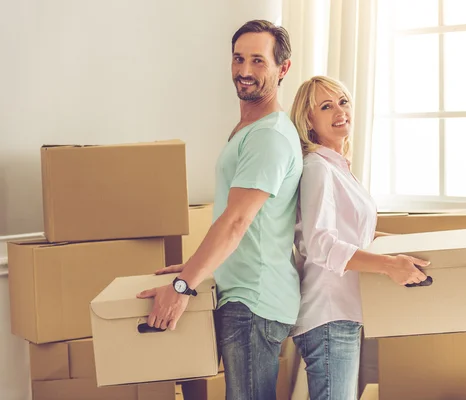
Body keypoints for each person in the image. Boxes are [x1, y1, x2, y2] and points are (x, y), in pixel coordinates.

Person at [136, 20, 303, 400]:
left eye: (258, 61)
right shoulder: (251, 129)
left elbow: (237, 221)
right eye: (238, 59)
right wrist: (199, 266)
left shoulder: (268, 137)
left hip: (254, 301)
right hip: (244, 295)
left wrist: (183, 286)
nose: (245, 71)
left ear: (284, 68)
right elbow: (241, 220)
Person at [289, 76, 429, 400]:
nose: (340, 111)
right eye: (326, 106)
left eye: (343, 102)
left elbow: (359, 234)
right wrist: (388, 266)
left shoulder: (338, 168)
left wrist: (406, 249)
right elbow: (320, 243)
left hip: (344, 314)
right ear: (308, 121)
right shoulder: (318, 169)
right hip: (328, 315)